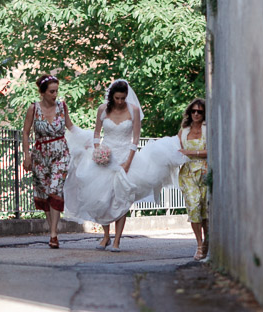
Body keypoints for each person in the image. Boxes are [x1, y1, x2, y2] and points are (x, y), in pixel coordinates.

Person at [63, 79, 186, 252]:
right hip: (106, 156)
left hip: (126, 156)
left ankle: (117, 240)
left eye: (123, 98)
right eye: (117, 98)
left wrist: (128, 162)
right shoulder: (102, 109)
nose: (120, 101)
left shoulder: (133, 110)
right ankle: (105, 236)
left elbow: (135, 139)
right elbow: (97, 134)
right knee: (102, 198)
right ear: (112, 97)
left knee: (122, 198)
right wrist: (98, 150)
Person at [22, 74, 76, 249]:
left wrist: (91, 140)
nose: (55, 95)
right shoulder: (33, 109)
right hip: (40, 155)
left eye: (56, 91)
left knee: (55, 189)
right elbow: (25, 132)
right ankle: (52, 231)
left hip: (60, 153)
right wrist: (27, 156)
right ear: (43, 92)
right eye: (52, 92)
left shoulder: (62, 107)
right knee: (45, 194)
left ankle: (53, 234)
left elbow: (71, 127)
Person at [178, 99, 209, 260]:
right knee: (194, 205)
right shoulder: (184, 130)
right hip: (188, 172)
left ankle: (207, 243)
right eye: (193, 111)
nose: (196, 114)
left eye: (200, 111)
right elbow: (176, 148)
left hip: (204, 171)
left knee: (205, 210)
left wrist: (192, 152)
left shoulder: (207, 129)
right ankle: (198, 244)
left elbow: (211, 150)